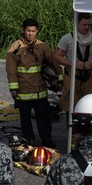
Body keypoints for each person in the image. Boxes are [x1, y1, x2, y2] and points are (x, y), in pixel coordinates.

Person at [6, 18, 56, 148]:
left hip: (40, 91)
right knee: (25, 120)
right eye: (28, 31)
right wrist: (13, 89)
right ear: (23, 31)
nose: (30, 34)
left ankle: (47, 140)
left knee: (44, 118)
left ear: (36, 31)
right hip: (23, 92)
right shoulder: (15, 48)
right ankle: (29, 140)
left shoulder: (42, 46)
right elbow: (11, 70)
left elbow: (53, 62)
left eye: (33, 31)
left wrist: (59, 79)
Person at [53, 13, 92, 114]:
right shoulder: (67, 39)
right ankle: (73, 128)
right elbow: (57, 56)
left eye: (89, 25)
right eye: (84, 25)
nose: (87, 27)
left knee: (90, 104)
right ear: (77, 24)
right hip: (72, 77)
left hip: (89, 77)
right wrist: (73, 64)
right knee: (71, 105)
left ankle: (88, 128)